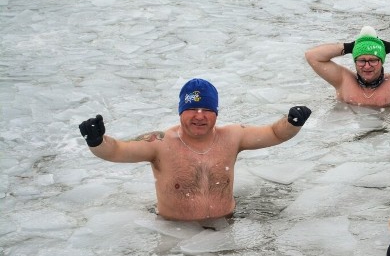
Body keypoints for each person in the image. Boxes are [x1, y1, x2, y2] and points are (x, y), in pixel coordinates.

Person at [77, 78, 312, 222]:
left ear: (216, 113)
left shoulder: (232, 136)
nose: (199, 115)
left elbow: (274, 133)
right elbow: (116, 151)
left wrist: (292, 122)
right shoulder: (159, 143)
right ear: (181, 111)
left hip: (227, 226)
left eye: (206, 109)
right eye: (192, 108)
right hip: (176, 234)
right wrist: (97, 140)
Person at [305, 26, 390, 107]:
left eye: (373, 60)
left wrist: (388, 46)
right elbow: (312, 56)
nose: (367, 66)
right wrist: (350, 47)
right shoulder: (343, 80)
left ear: (382, 61)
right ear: (354, 62)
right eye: (361, 60)